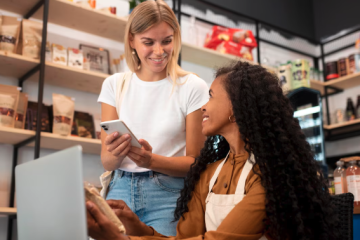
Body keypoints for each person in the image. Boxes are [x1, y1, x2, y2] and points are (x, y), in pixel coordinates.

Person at [89, 61, 337, 240]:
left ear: (235, 106)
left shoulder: (270, 175)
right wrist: (136, 227)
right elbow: (185, 239)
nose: (203, 107)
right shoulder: (210, 173)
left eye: (210, 97)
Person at [97, 0, 208, 236]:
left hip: (169, 194)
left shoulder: (192, 86)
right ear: (131, 41)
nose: (159, 51)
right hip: (119, 190)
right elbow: (107, 162)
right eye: (148, 42)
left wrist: (151, 161)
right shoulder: (114, 85)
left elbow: (195, 163)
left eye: (166, 41)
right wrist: (116, 153)